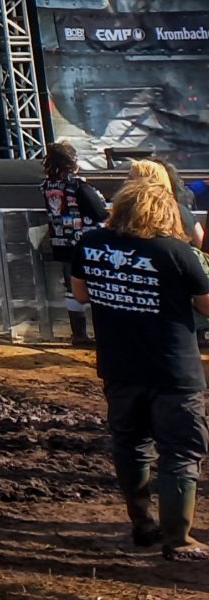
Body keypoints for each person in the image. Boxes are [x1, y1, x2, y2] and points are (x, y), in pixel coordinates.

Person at [71, 171, 209, 561]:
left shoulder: (91, 243)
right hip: (173, 370)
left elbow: (80, 293)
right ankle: (178, 539)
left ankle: (142, 526)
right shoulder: (175, 251)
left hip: (118, 365)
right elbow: (207, 306)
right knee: (180, 451)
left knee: (131, 444)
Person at [41, 143, 112, 348]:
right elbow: (100, 213)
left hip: (61, 243)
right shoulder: (77, 185)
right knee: (97, 288)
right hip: (87, 245)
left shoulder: (48, 185)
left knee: (72, 287)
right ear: (73, 162)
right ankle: (102, 334)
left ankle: (78, 334)